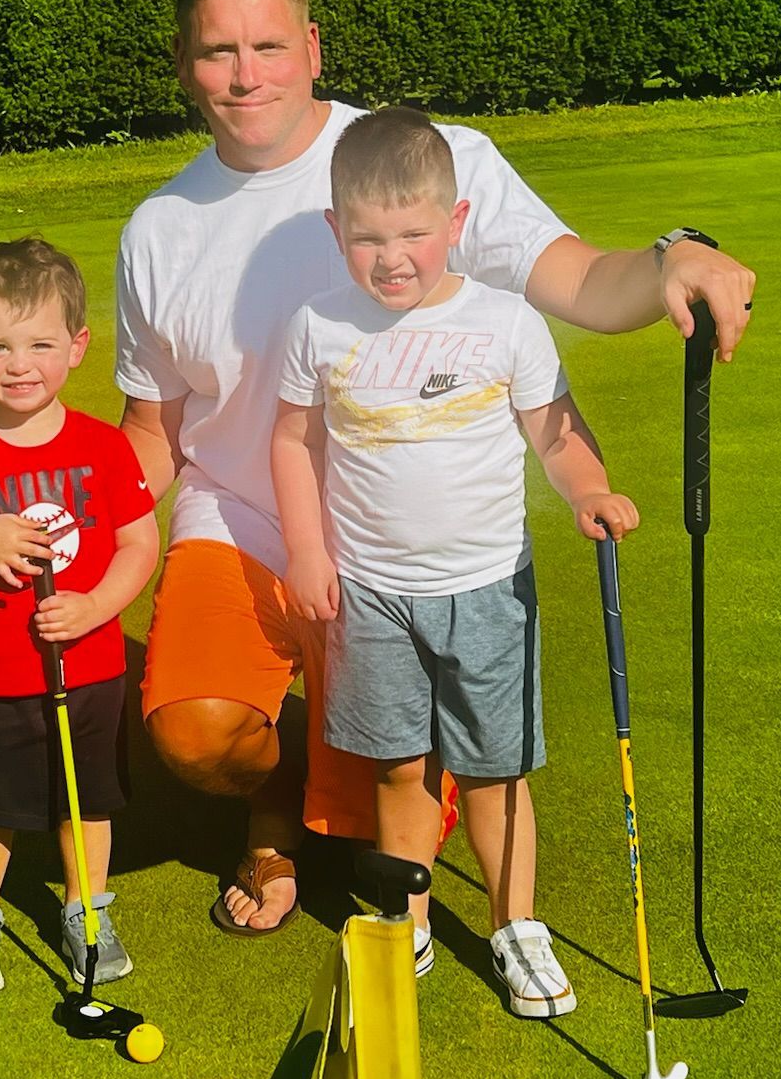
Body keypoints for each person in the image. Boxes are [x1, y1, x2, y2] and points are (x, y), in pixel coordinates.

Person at [116, 0, 755, 937]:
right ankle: (274, 807)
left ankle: (361, 781)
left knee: (397, 797)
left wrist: (677, 256)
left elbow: (582, 278)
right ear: (182, 61)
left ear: (314, 46)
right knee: (196, 732)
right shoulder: (157, 227)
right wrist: (75, 515)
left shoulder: (424, 161)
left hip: (395, 550)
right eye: (217, 51)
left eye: (270, 46)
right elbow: (153, 426)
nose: (246, 76)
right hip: (240, 517)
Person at [272, 108, 637, 1016]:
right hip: (372, 592)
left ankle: (515, 927)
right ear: (336, 232)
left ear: (456, 225)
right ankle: (411, 915)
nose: (392, 256)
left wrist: (588, 490)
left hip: (487, 589)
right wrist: (308, 549)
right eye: (367, 237)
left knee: (494, 769)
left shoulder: (506, 323)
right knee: (398, 767)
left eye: (414, 234)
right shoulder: (317, 326)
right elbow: (291, 442)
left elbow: (554, 434)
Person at [0, 237, 159, 997]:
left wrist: (95, 607)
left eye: (40, 344)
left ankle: (87, 910)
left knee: (84, 803)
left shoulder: (105, 448)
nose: (20, 364)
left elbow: (137, 545)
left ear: (78, 346)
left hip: (91, 670)